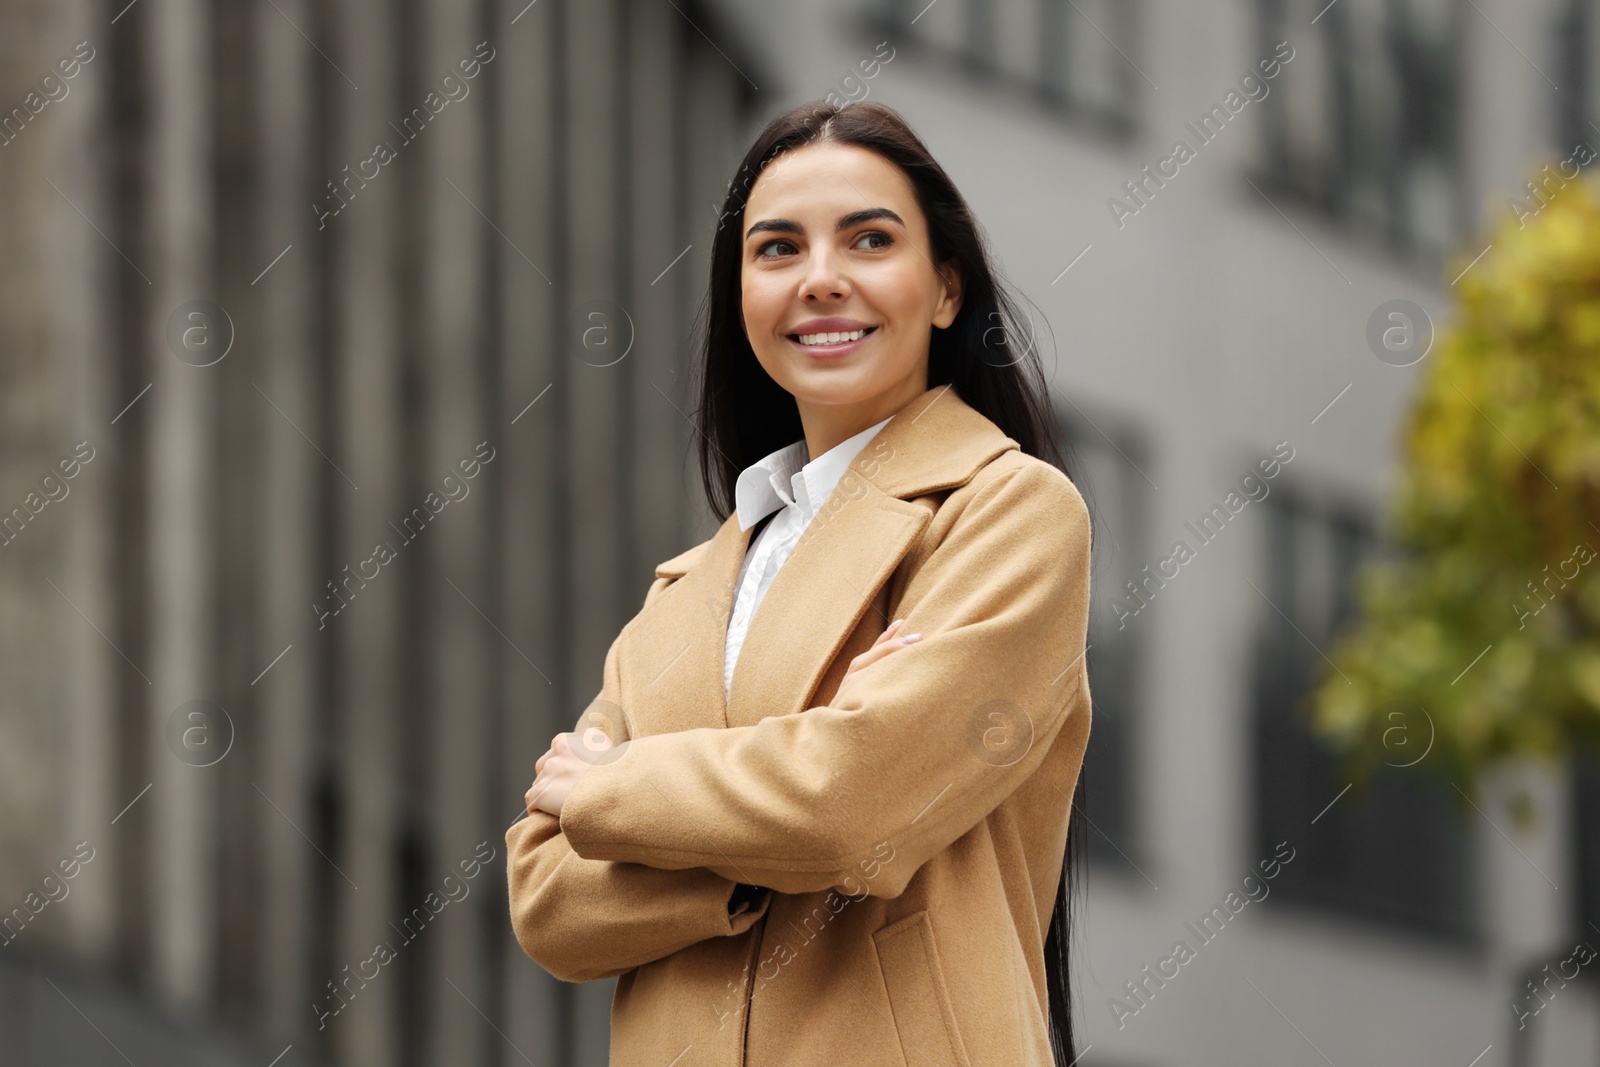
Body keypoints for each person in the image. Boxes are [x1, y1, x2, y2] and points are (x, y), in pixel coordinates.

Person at [507, 100, 1093, 1067]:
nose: (821, 280)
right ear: (742, 297)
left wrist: (611, 785)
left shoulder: (1008, 513)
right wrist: (753, 853)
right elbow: (547, 896)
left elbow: (852, 806)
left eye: (869, 239)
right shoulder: (684, 590)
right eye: (776, 249)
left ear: (947, 286)